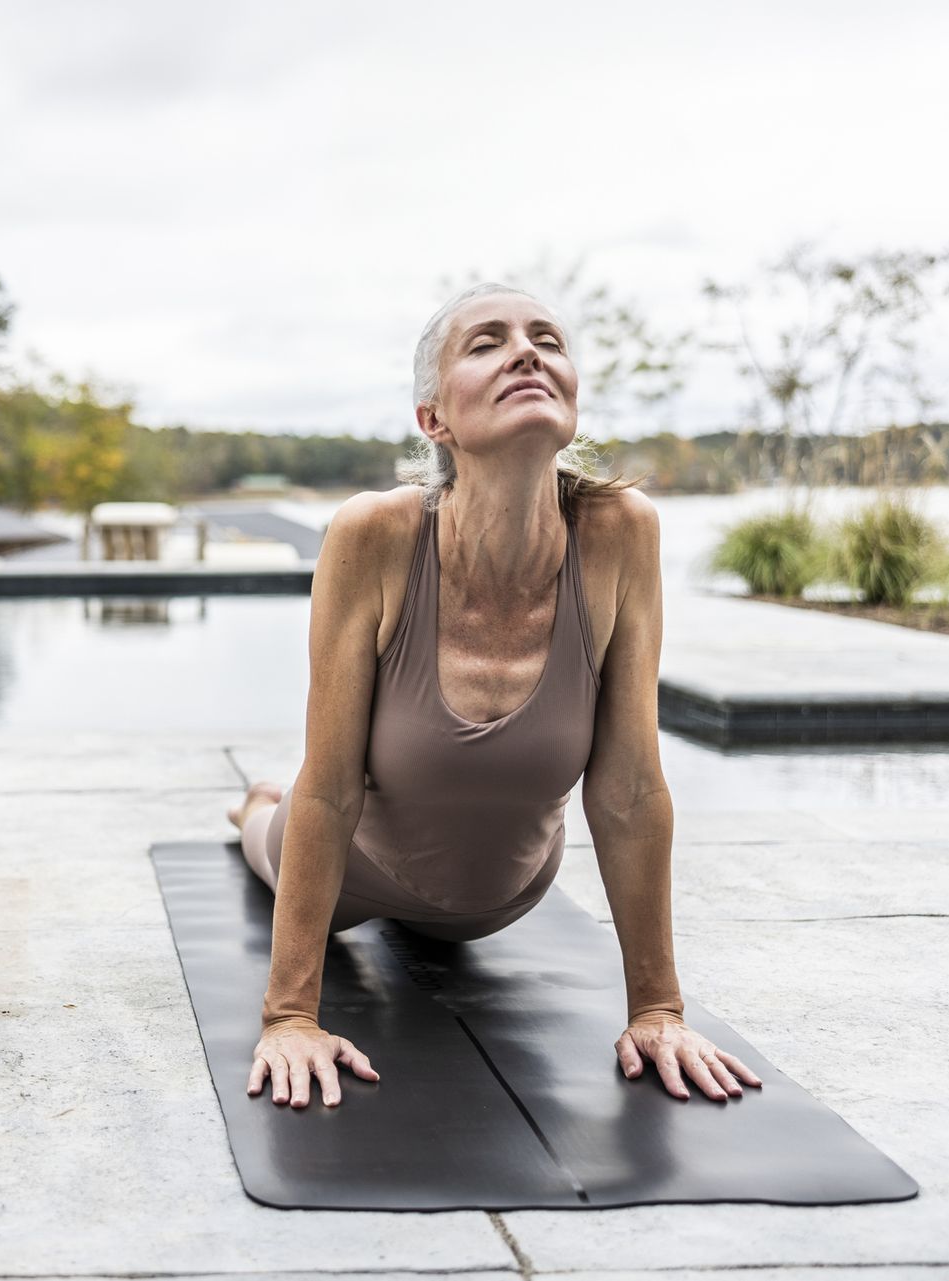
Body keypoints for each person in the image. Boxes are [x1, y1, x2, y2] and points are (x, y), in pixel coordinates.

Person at [230, 283, 762, 1111]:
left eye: (547, 339)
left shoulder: (623, 531)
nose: (527, 350)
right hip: (359, 872)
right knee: (275, 820)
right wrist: (290, 1013)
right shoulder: (373, 534)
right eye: (486, 343)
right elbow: (331, 790)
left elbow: (627, 788)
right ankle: (251, 804)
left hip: (505, 894)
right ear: (433, 418)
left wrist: (658, 1009)